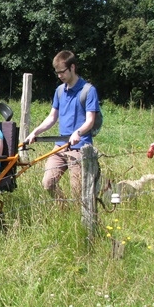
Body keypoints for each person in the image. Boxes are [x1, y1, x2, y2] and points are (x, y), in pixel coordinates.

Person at [24, 50, 100, 202]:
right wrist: (35, 132)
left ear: (72, 67)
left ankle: (79, 218)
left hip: (80, 147)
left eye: (62, 72)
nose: (59, 76)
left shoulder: (88, 91)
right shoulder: (59, 91)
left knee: (78, 192)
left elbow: (90, 120)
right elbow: (52, 117)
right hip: (60, 147)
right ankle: (64, 209)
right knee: (48, 183)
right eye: (57, 73)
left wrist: (78, 132)